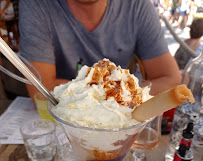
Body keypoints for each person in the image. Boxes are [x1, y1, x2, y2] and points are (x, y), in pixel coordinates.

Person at [19, 0, 181, 102]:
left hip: (119, 125)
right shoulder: (37, 5)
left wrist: (118, 95)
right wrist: (116, 93)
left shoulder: (137, 6)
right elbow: (40, 92)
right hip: (61, 125)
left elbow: (171, 78)